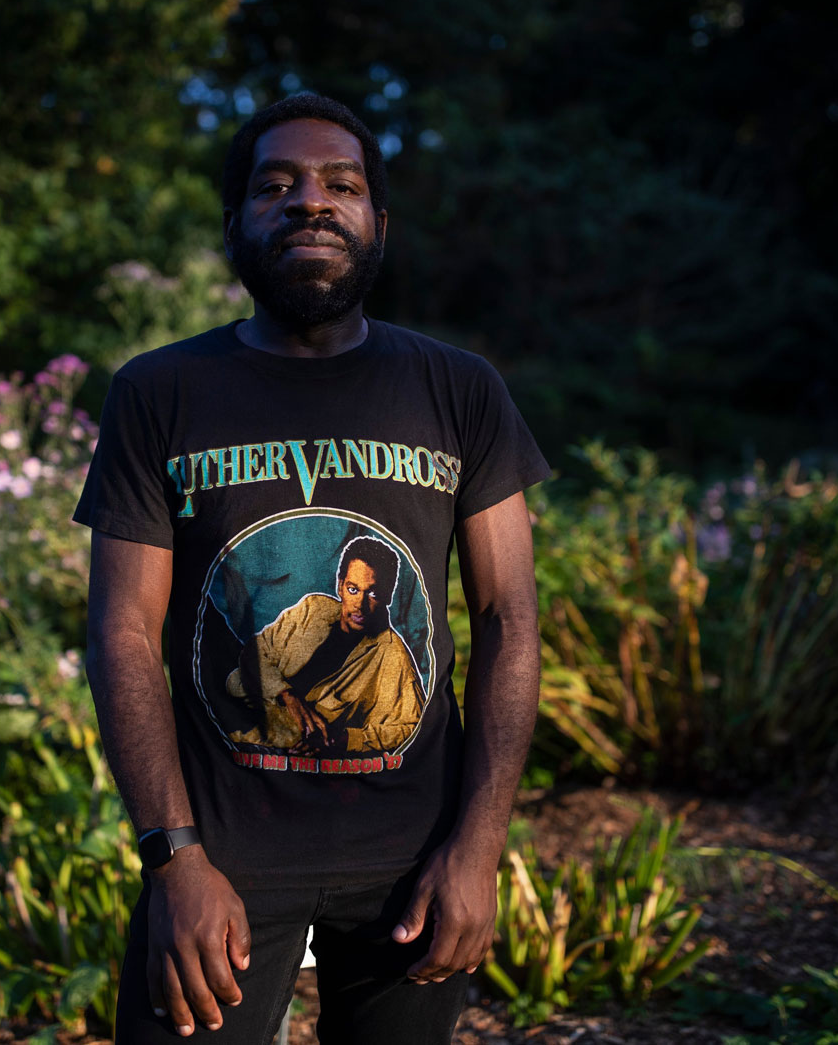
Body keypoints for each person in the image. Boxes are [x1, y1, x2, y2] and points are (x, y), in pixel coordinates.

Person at [74, 92, 548, 1044]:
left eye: (342, 183)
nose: (309, 202)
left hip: (413, 860)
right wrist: (174, 860)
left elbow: (509, 619)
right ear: (237, 224)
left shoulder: (458, 389)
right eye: (275, 185)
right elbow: (123, 632)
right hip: (223, 854)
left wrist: (477, 846)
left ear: (379, 221)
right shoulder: (159, 392)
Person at [224, 535, 423, 754]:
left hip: (290, 748)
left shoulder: (392, 655)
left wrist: (345, 739)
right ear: (340, 586)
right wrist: (286, 695)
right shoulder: (312, 609)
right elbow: (255, 652)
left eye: (373, 593)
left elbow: (408, 726)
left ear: (388, 596)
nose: (360, 604)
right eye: (353, 589)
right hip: (240, 711)